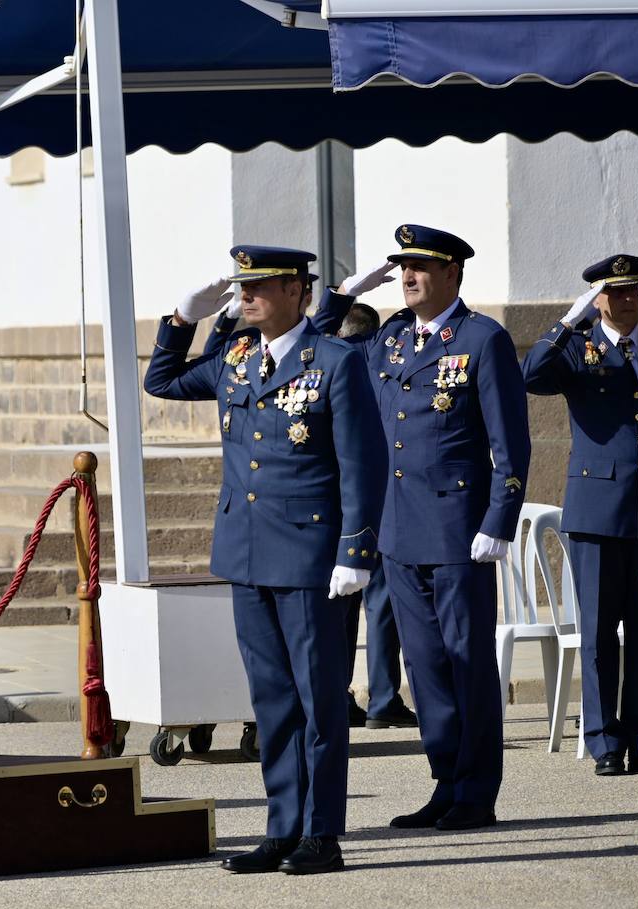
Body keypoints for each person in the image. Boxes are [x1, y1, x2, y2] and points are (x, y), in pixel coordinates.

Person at [145, 246, 385, 875]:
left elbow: (363, 462)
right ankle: (282, 827)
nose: (246, 295)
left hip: (309, 556)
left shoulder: (333, 361)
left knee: (318, 699)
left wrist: (356, 550)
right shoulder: (235, 358)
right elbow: (163, 381)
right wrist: (180, 317)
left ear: (298, 292)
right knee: (272, 699)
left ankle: (321, 832)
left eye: (260, 286)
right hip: (247, 553)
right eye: (242, 286)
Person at [316, 225, 531, 831]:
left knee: (466, 661)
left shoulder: (483, 340)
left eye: (422, 268)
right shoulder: (387, 340)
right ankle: (445, 782)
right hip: (398, 527)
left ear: (453, 274)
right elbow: (318, 345)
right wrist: (337, 297)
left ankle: (476, 791)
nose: (408, 277)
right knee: (426, 667)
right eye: (402, 268)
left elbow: (510, 441)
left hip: (460, 529)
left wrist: (500, 518)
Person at [522, 255, 638, 776]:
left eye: (634, 292)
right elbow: (532, 375)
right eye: (616, 292)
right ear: (597, 300)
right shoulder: (578, 351)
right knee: (600, 630)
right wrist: (565, 323)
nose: (627, 300)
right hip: (597, 512)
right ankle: (605, 739)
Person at [331, 303, 419, 730]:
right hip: (377, 498)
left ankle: (339, 694)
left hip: (331, 501)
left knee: (340, 606)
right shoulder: (381, 357)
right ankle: (384, 697)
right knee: (380, 602)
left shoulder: (324, 362)